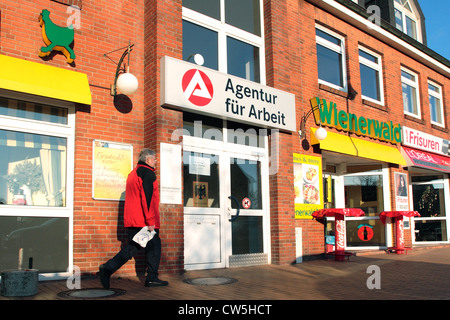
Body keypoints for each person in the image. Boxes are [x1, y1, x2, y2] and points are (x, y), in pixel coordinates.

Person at [99, 148, 168, 288]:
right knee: (155, 246)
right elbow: (147, 199)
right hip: (144, 221)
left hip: (133, 221)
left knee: (133, 248)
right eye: (154, 159)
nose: (156, 162)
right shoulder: (148, 173)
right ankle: (152, 278)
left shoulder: (133, 173)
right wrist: (150, 221)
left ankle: (107, 269)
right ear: (148, 160)